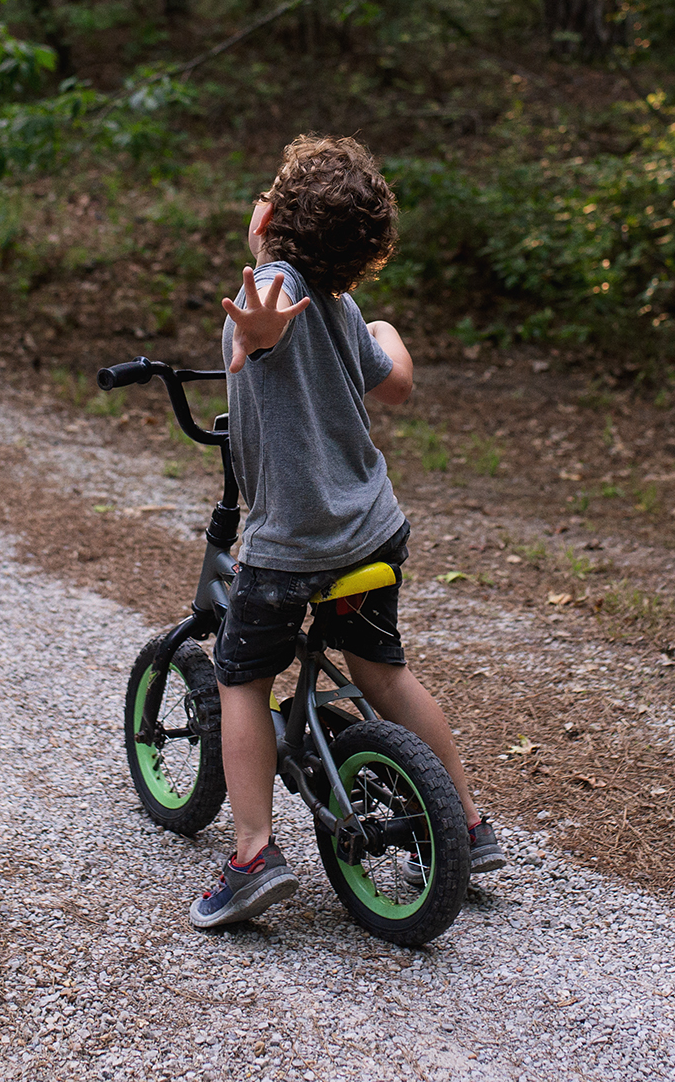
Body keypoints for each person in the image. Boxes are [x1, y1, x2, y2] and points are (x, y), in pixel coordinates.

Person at [188, 134, 504, 930]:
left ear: (277, 219)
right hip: (374, 533)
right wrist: (386, 329)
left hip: (292, 548)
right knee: (382, 670)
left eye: (269, 188)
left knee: (240, 681)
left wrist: (256, 324)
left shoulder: (271, 289)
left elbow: (262, 331)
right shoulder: (335, 302)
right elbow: (394, 381)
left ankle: (253, 854)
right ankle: (465, 821)